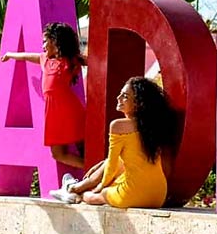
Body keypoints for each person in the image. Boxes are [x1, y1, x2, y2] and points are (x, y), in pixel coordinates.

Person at [67, 77, 175, 209]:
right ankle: (76, 187)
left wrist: (101, 187)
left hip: (133, 193)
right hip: (159, 195)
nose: (118, 98)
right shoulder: (154, 127)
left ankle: (75, 192)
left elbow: (111, 166)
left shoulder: (118, 126)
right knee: (116, 166)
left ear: (138, 104)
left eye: (125, 96)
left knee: (95, 196)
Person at [1, 21, 87, 172]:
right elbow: (26, 56)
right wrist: (10, 55)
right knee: (58, 154)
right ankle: (93, 168)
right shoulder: (44, 60)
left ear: (55, 41)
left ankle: (97, 169)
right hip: (53, 112)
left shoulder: (70, 60)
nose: (43, 46)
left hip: (70, 110)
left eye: (45, 41)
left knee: (84, 146)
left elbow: (95, 60)